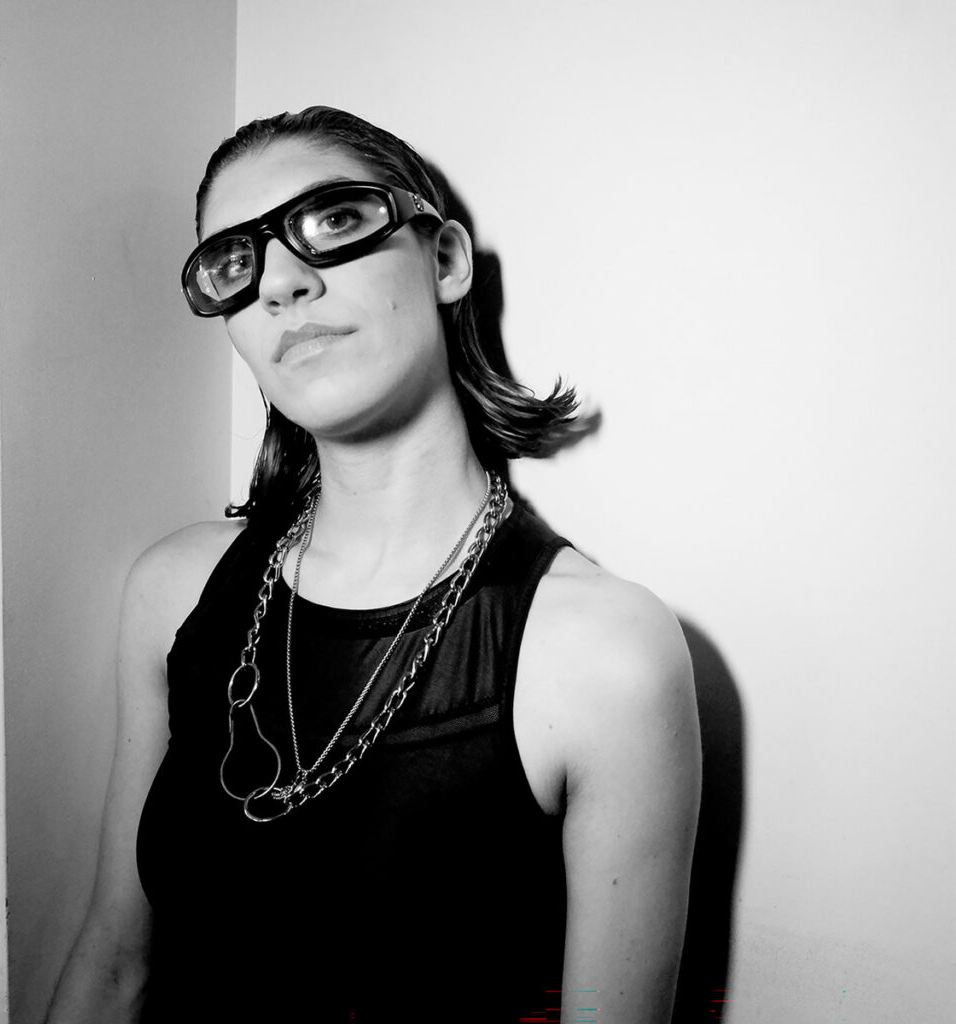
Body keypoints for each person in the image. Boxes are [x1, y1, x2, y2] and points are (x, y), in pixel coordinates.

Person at [45, 106, 701, 1024]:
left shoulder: (604, 655)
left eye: (335, 220)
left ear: (446, 262)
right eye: (235, 263)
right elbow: (116, 964)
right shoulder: (173, 589)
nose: (281, 282)